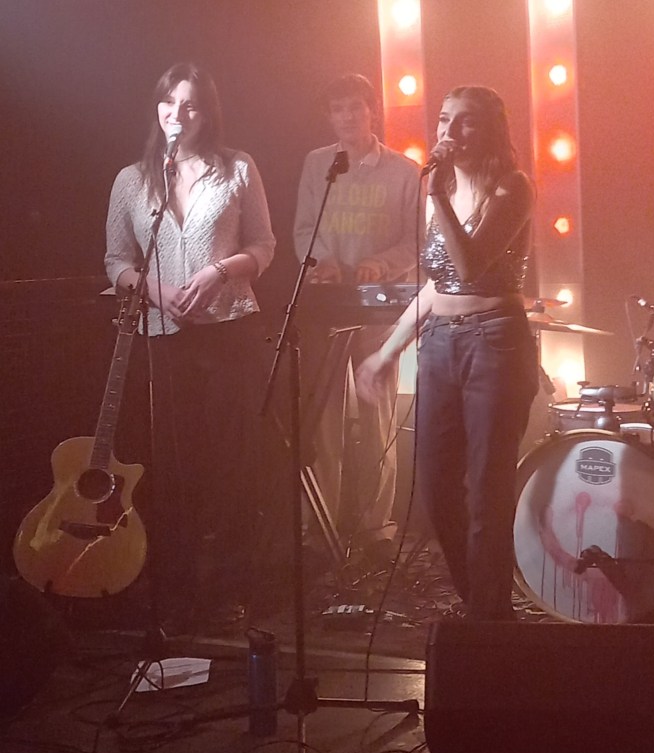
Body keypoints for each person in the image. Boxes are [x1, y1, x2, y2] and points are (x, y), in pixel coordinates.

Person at [356, 85, 537, 621]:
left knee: (486, 492)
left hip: (495, 343)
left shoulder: (513, 187)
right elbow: (438, 286)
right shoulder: (447, 189)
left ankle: (488, 619)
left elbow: (470, 267)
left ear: (491, 130)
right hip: (439, 344)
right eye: (443, 120)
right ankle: (481, 604)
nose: (449, 132)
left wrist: (436, 197)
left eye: (465, 121)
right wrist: (388, 352)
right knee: (434, 489)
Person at [105, 62, 276, 628]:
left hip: (229, 331)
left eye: (190, 105)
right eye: (168, 103)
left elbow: (265, 245)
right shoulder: (132, 180)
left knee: (232, 464)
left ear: (207, 113)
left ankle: (229, 587)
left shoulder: (238, 168)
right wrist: (153, 289)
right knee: (172, 466)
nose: (177, 114)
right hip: (164, 336)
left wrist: (219, 272)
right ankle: (174, 586)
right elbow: (116, 260)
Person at [293, 74, 421, 565]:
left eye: (354, 107)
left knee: (377, 414)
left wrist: (381, 264)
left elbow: (415, 242)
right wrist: (321, 261)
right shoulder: (317, 163)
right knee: (323, 419)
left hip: (378, 308)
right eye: (337, 108)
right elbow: (304, 229)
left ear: (373, 111)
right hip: (326, 306)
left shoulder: (404, 172)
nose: (346, 116)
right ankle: (319, 527)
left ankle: (375, 528)